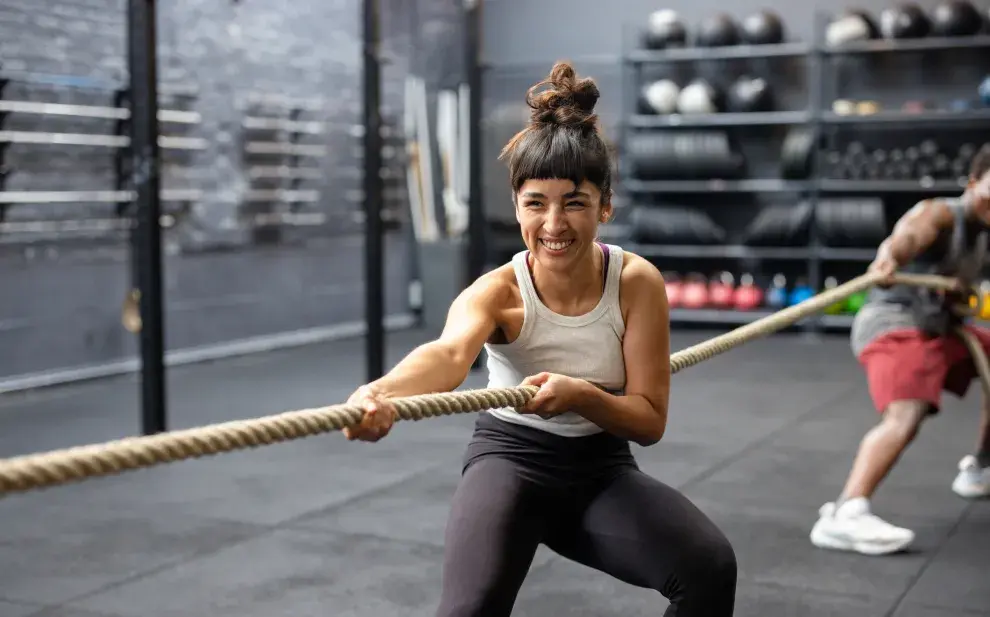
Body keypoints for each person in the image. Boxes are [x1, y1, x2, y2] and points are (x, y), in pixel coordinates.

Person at [342, 61, 737, 616]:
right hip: (510, 459)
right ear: (517, 206)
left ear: (605, 205)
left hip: (601, 469)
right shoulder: (498, 291)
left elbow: (648, 421)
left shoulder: (636, 283)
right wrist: (380, 393)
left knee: (709, 569)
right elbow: (448, 356)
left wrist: (580, 396)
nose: (554, 224)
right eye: (536, 203)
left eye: (574, 202)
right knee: (469, 609)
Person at [810, 145, 990, 556]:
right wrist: (890, 257)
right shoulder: (942, 214)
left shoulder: (984, 230)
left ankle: (981, 467)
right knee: (907, 412)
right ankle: (845, 513)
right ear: (972, 182)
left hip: (941, 328)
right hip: (894, 324)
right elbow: (908, 235)